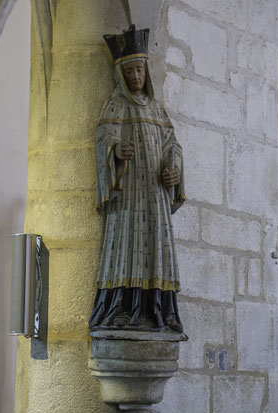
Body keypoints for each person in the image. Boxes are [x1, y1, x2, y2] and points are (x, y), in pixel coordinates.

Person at [89, 25, 186, 332]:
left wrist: (175, 168)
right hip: (129, 195)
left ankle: (158, 309)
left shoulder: (157, 109)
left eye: (139, 70)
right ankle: (119, 307)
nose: (135, 77)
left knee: (156, 247)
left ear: (147, 71)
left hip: (155, 194)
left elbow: (173, 145)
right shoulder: (117, 105)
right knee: (125, 246)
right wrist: (116, 149)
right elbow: (104, 136)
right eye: (129, 72)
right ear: (121, 75)